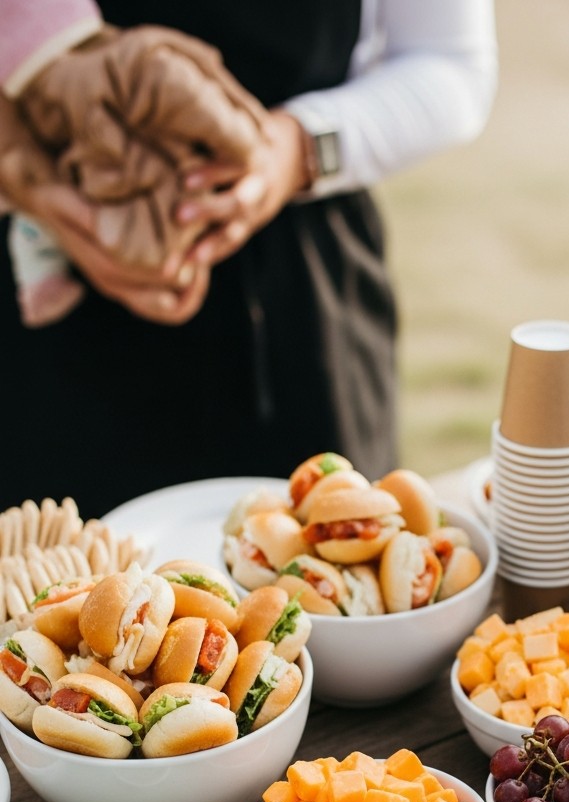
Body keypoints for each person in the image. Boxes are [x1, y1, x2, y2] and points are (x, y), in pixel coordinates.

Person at [0, 2, 498, 518]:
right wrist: (26, 174)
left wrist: (291, 150)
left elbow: (452, 66)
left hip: (301, 314)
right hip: (44, 317)